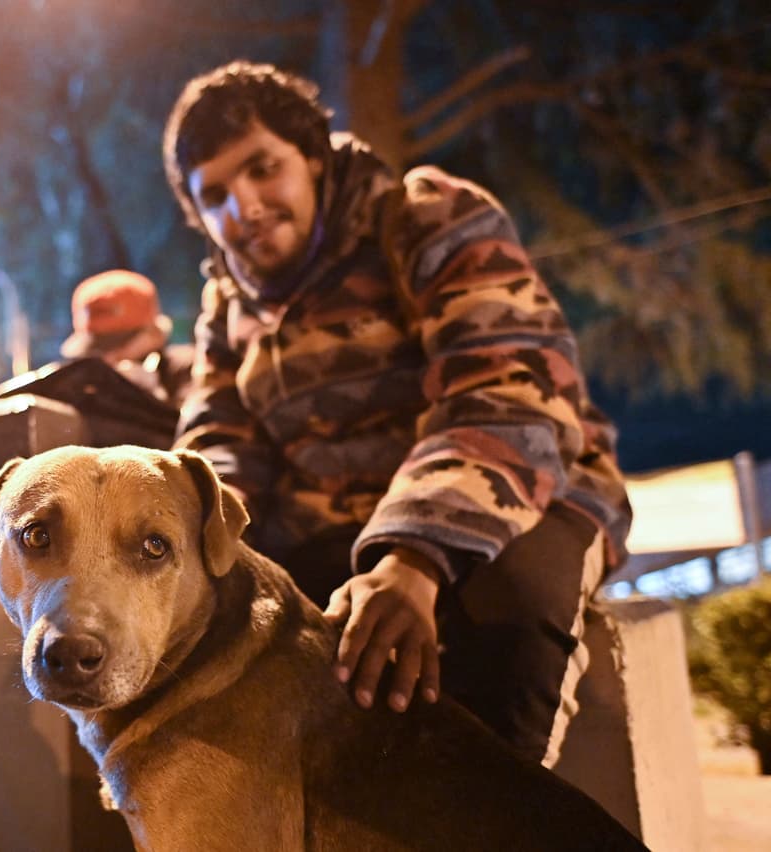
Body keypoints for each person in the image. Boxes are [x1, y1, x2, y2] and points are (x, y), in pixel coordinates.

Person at [163, 61, 632, 767]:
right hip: (337, 526)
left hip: (521, 492)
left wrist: (412, 559)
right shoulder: (228, 308)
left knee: (507, 619)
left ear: (314, 158)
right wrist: (193, 544)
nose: (245, 207)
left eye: (264, 170)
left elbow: (506, 393)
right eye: (216, 196)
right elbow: (220, 444)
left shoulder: (426, 218)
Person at [60, 269, 194, 409]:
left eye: (116, 342)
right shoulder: (87, 383)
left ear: (152, 334)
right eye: (96, 348)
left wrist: (152, 397)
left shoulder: (187, 369)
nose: (108, 357)